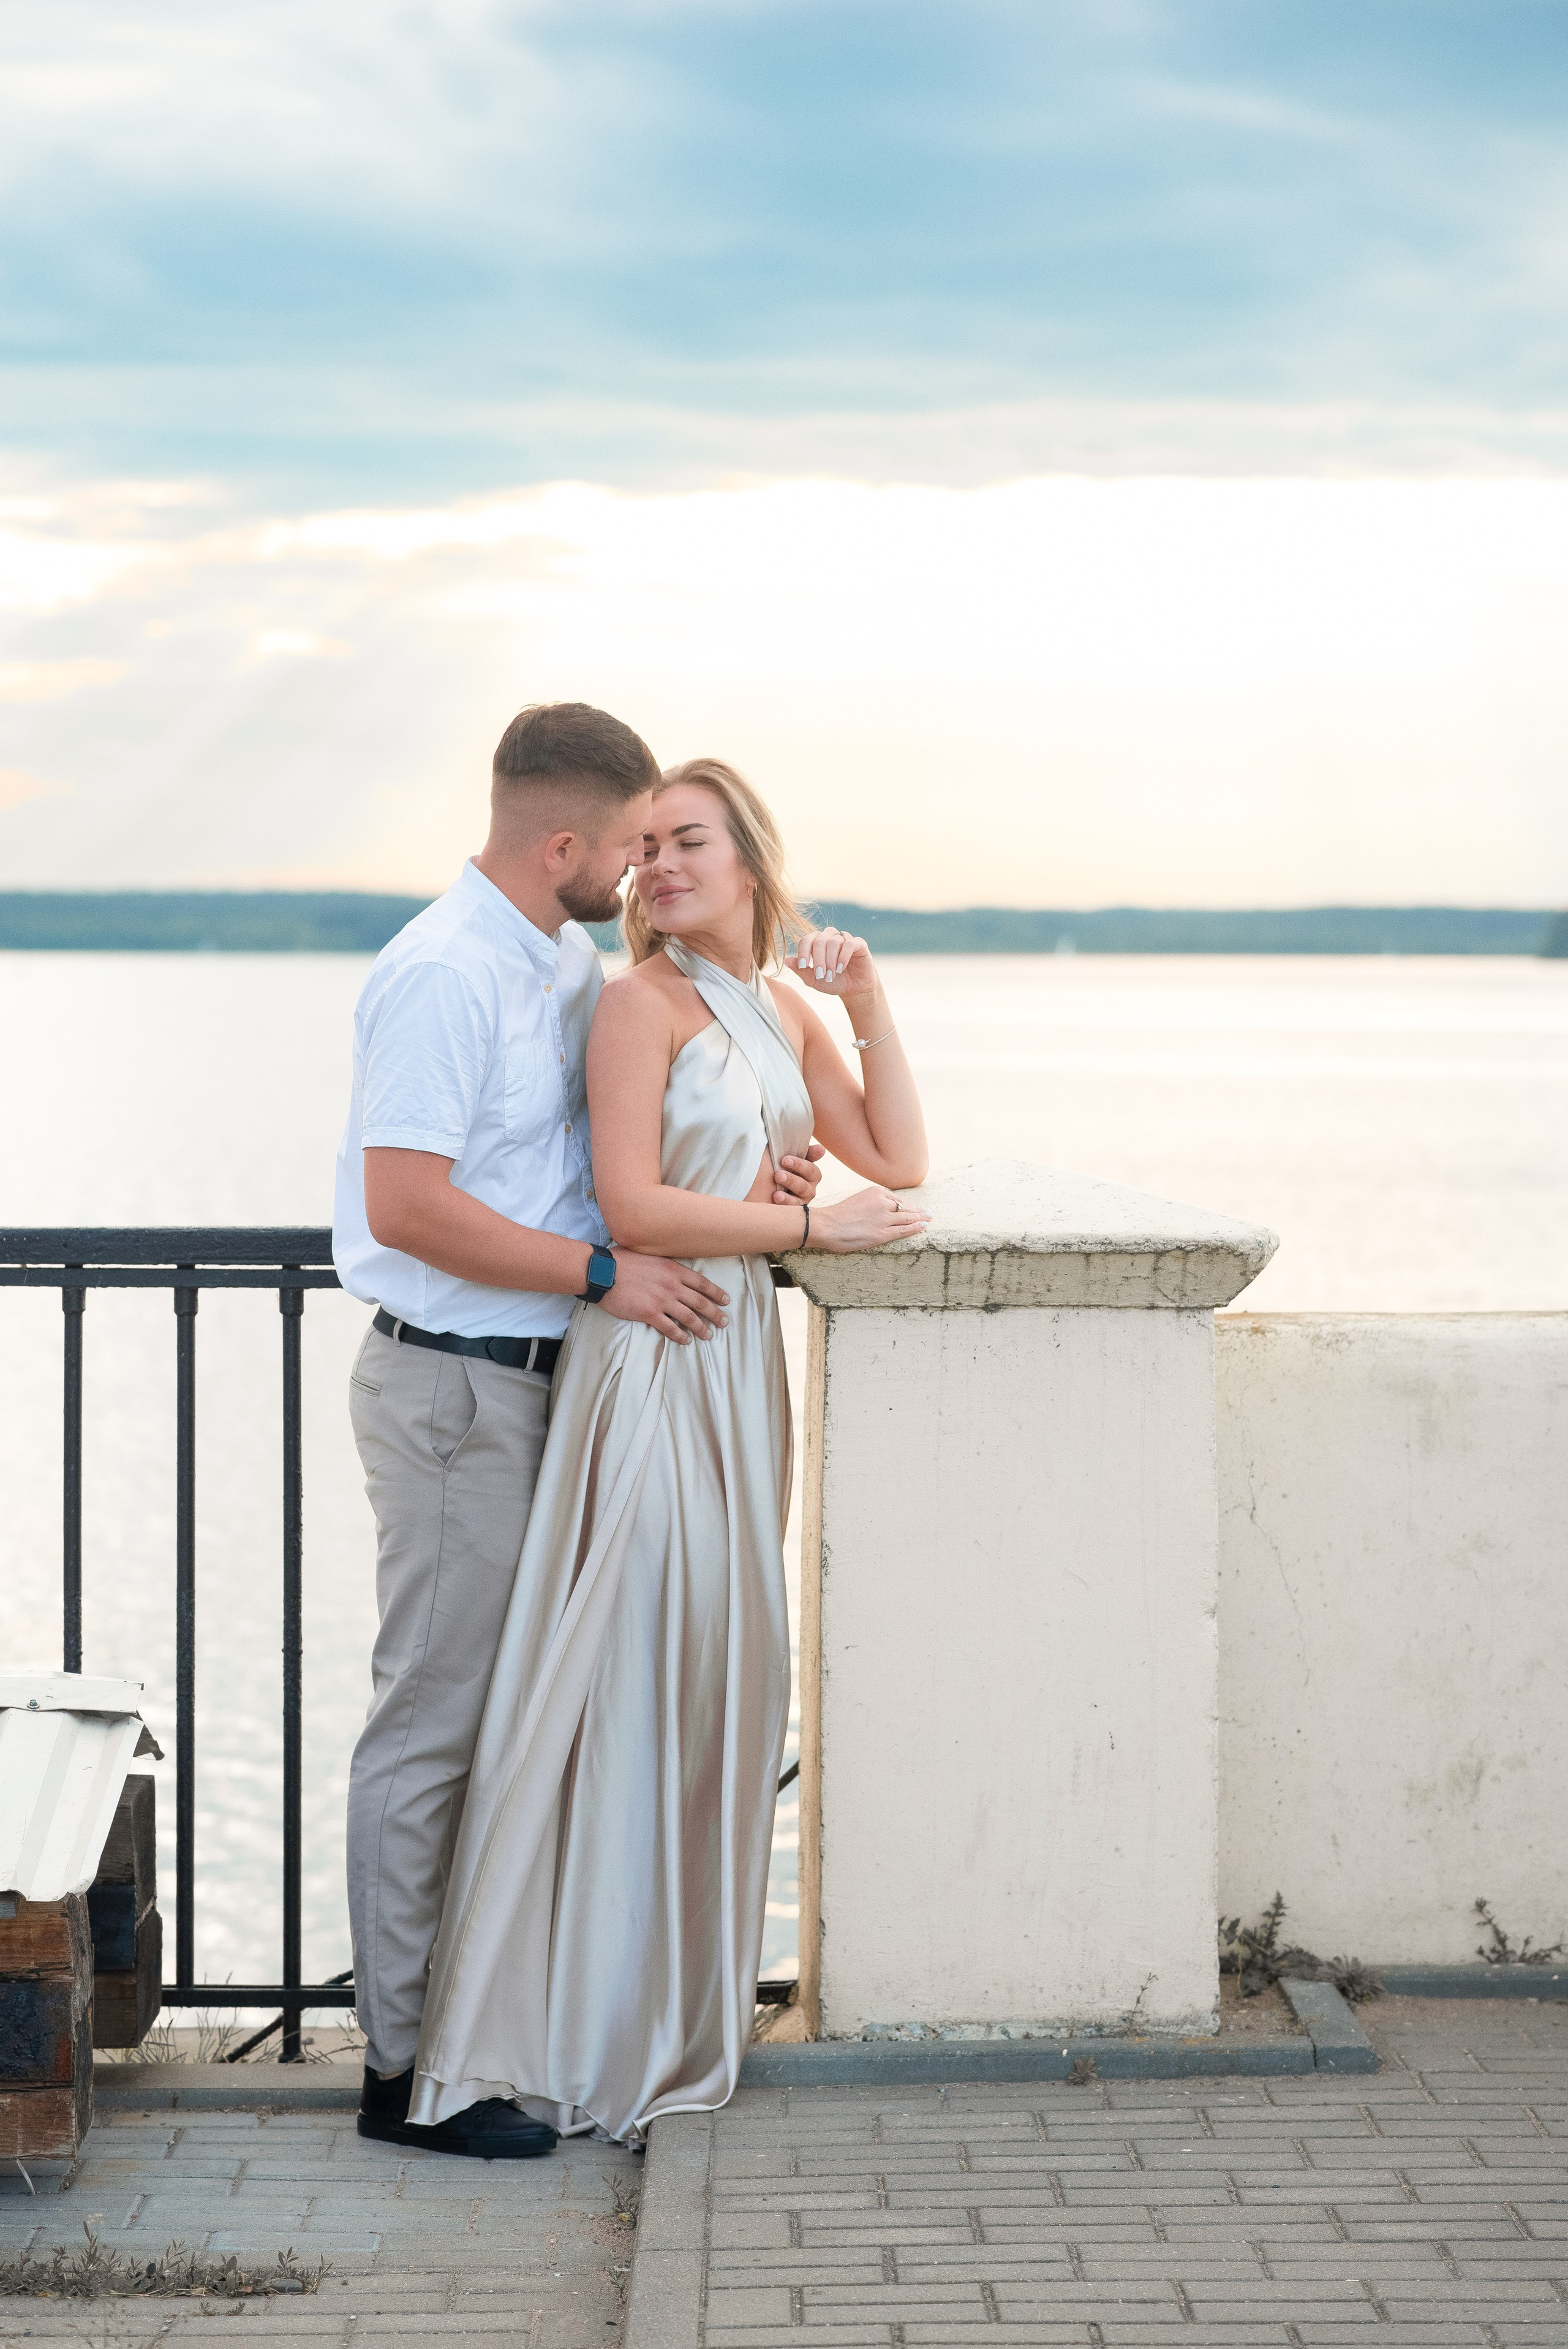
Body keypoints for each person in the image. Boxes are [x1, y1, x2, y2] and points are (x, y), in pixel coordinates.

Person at [405, 756, 930, 2147]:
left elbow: (897, 1154)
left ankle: (659, 2000)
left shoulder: (770, 1009)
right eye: (645, 855)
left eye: (686, 843)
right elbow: (635, 1207)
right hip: (647, 1362)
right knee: (618, 1671)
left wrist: (864, 1002)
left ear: (751, 860)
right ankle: (551, 2028)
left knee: (712, 1672)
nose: (657, 873)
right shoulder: (634, 1005)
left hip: (731, 1371)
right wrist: (801, 1231)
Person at [331, 707, 824, 2160]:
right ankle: (404, 2067)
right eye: (624, 848)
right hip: (452, 1385)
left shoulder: (555, 957)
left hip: (544, 1379)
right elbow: (407, 1206)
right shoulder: (438, 972)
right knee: (434, 1718)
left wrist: (749, 1156)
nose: (637, 874)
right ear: (564, 844)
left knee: (516, 1711)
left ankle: (503, 2028)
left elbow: (632, 1131)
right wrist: (608, 1272)